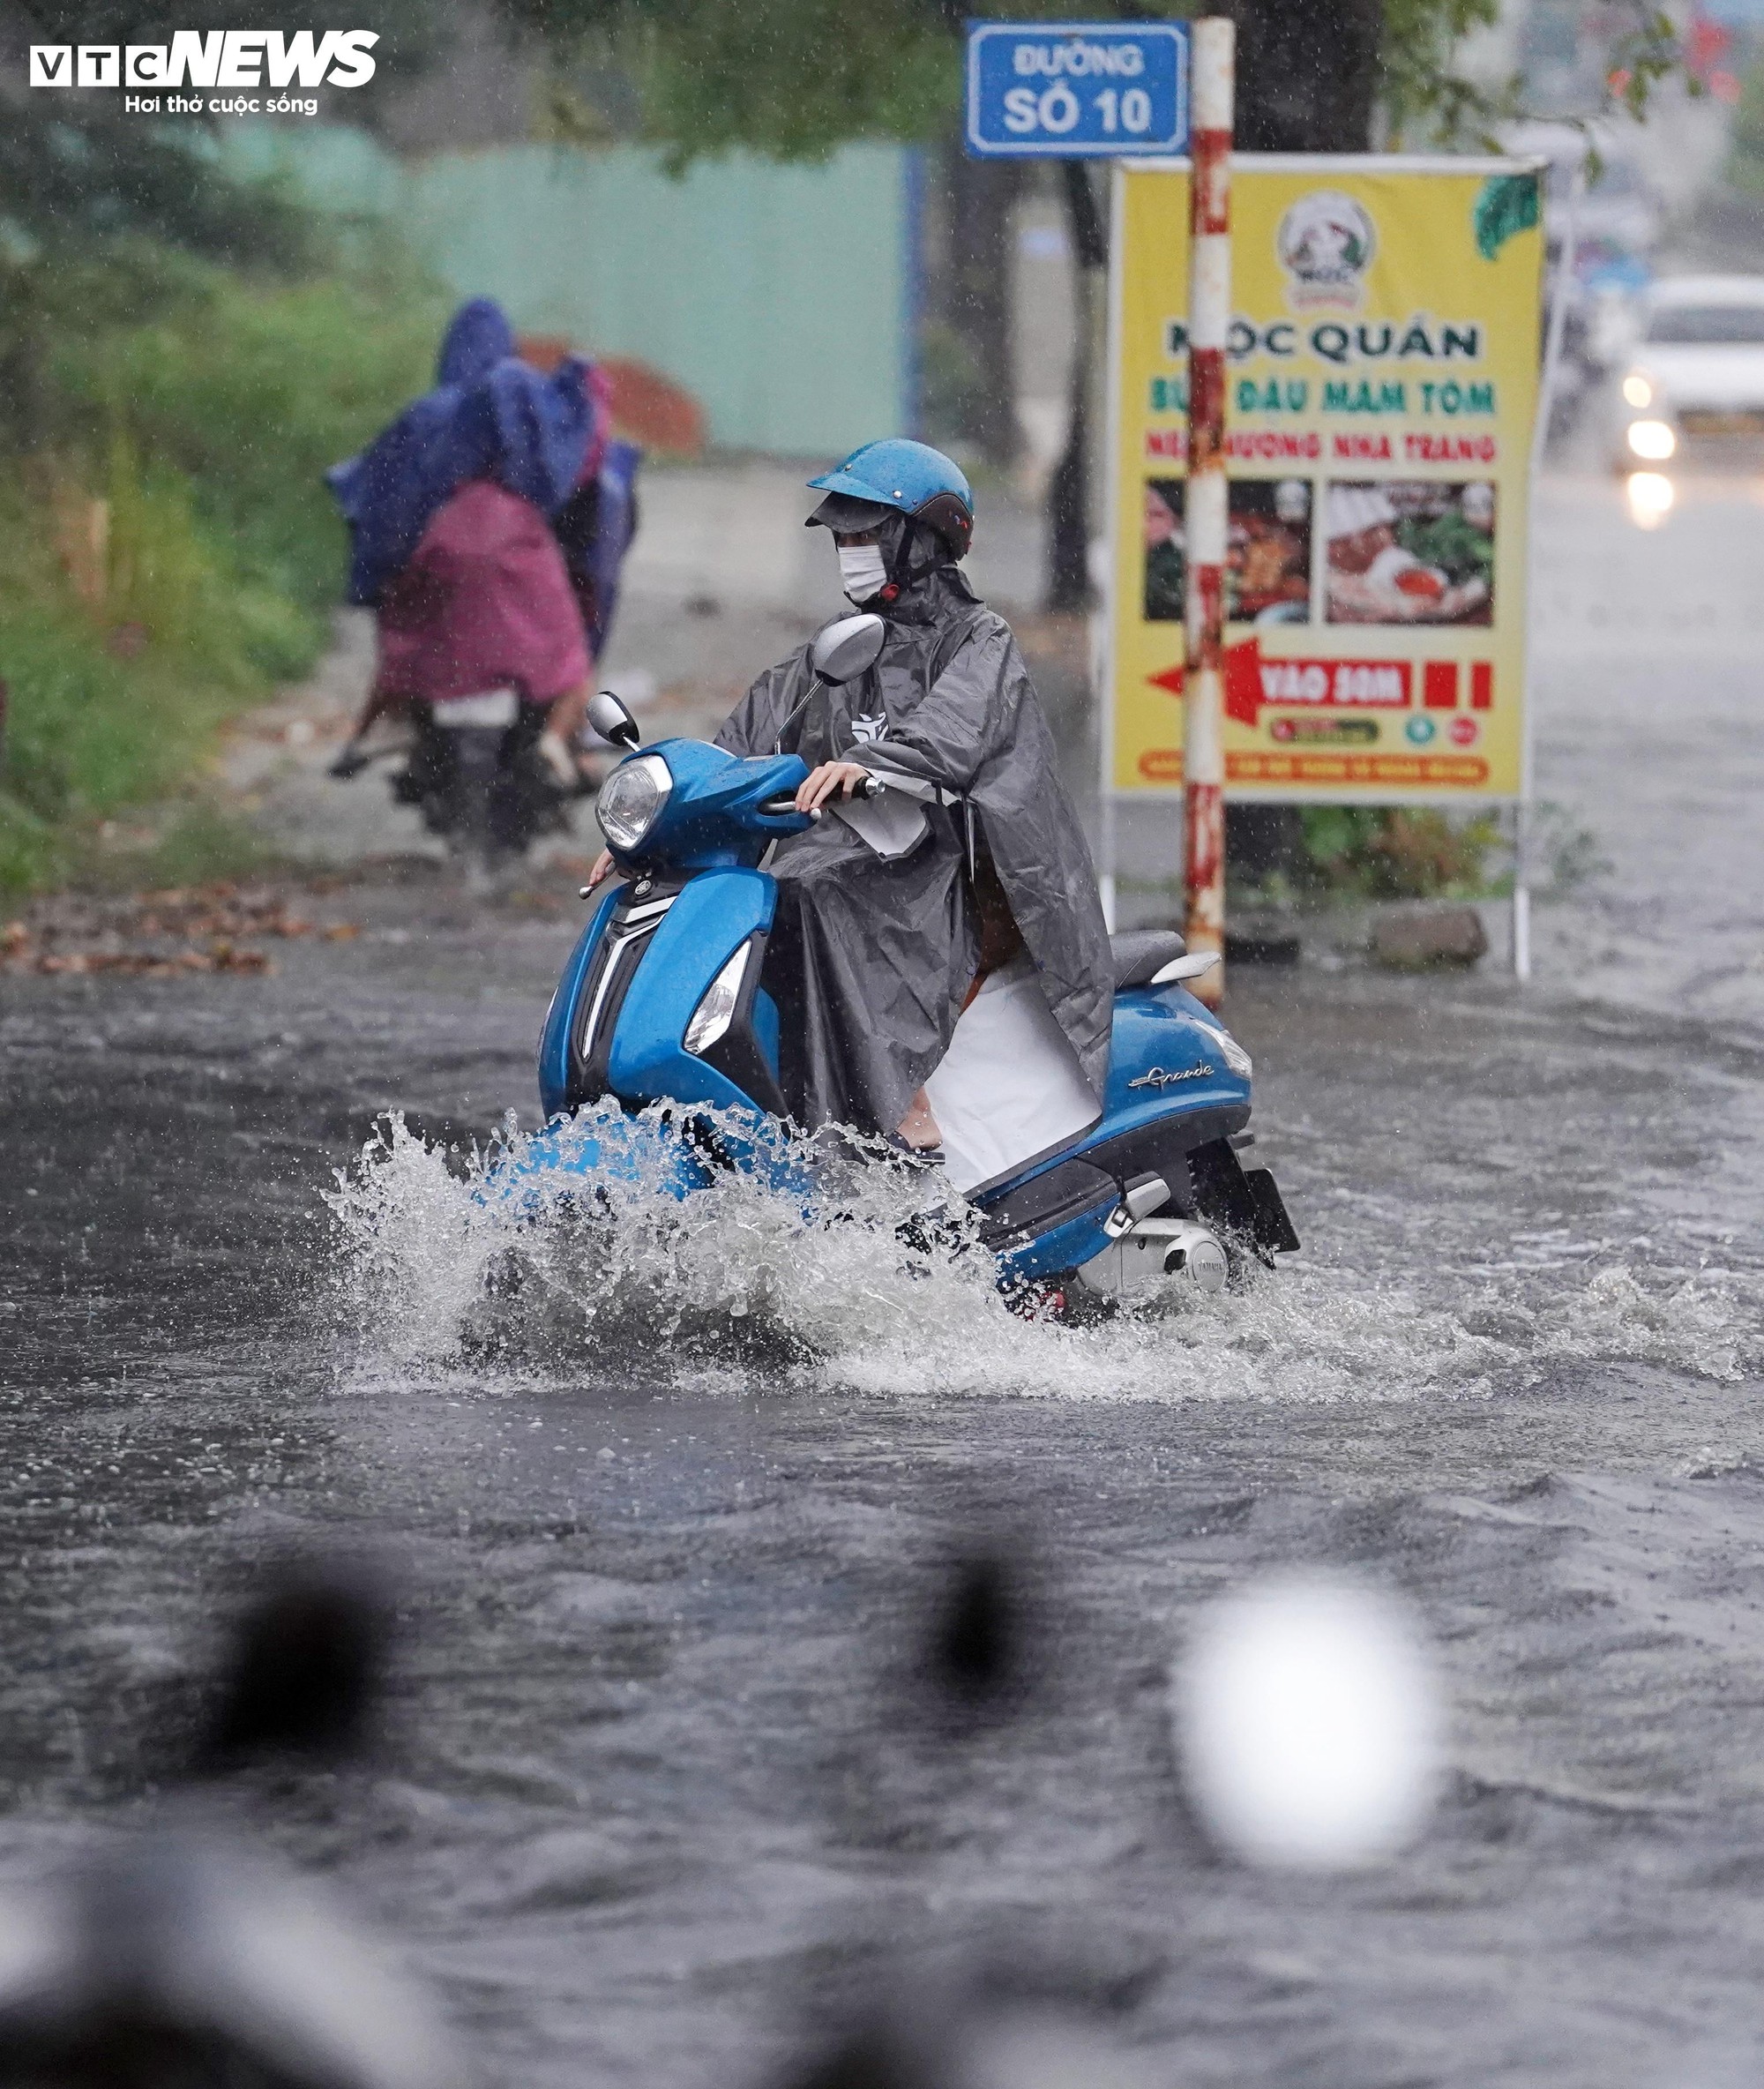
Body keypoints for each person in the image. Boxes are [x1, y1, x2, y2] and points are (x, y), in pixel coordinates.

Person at [590, 438, 1112, 1160]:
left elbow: (956, 730)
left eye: (865, 534)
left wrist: (872, 763)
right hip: (869, 859)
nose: (849, 550)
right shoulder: (841, 644)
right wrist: (656, 826)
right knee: (765, 891)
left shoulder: (978, 640)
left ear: (921, 541)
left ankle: (909, 1109)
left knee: (810, 890)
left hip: (962, 883)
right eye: (842, 536)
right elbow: (749, 735)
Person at [326, 299, 611, 784]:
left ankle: (370, 731)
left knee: (402, 651)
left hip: (438, 551)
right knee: (572, 661)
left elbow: (381, 495)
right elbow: (573, 469)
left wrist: (380, 571)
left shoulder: (426, 416)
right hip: (521, 550)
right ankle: (557, 740)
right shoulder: (525, 401)